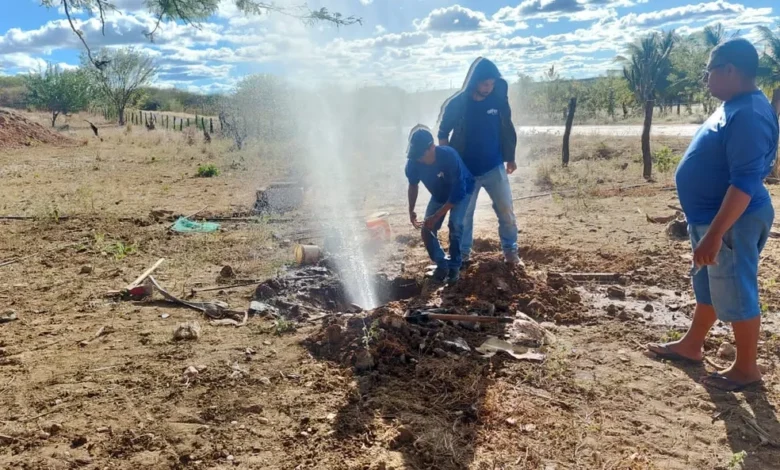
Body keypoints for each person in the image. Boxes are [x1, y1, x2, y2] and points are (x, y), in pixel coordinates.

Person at [647, 38, 778, 392]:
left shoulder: (749, 114)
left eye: (709, 73)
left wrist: (716, 233)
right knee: (709, 286)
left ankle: (746, 368)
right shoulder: (738, 105)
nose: (706, 81)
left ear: (730, 69)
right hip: (713, 219)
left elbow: (744, 183)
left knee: (737, 288)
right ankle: (691, 345)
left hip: (732, 220)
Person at [437, 57, 520, 266]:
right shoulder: (458, 104)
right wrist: (449, 164)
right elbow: (443, 133)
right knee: (463, 217)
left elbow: (507, 127)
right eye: (485, 84)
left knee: (506, 211)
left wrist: (510, 157)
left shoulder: (498, 100)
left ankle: (511, 253)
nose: (489, 88)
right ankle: (463, 257)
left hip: (494, 167)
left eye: (492, 84)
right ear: (475, 81)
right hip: (466, 172)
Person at [406, 125, 475, 285]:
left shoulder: (449, 156)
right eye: (415, 157)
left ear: (432, 147)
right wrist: (411, 210)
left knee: (455, 225)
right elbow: (413, 185)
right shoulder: (413, 162)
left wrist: (436, 216)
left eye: (421, 156)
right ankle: (442, 264)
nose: (418, 160)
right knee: (427, 229)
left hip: (462, 191)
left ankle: (455, 268)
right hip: (439, 194)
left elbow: (457, 193)